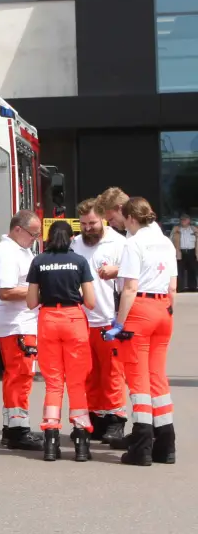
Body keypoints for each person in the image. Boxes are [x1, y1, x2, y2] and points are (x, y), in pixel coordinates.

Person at [111, 196, 179, 465]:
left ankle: (141, 447)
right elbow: (173, 287)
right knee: (157, 377)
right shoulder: (165, 241)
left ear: (130, 218)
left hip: (140, 310)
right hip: (163, 309)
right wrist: (168, 312)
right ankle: (166, 444)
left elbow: (129, 288)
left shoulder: (134, 243)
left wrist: (119, 323)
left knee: (138, 379)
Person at [27, 219, 98, 461]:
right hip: (73, 320)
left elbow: (31, 302)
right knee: (77, 382)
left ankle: (50, 441)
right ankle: (81, 444)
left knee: (53, 383)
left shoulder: (38, 261)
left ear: (48, 237)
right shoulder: (79, 261)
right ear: (71, 238)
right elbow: (91, 302)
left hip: (48, 320)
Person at [71, 197, 128, 444]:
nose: (87, 228)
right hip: (82, 320)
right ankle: (94, 417)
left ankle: (116, 419)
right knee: (88, 373)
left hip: (109, 318)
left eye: (92, 223)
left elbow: (130, 283)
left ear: (103, 218)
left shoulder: (119, 243)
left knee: (113, 372)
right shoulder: (75, 244)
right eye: (83, 224)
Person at [0, 210, 43, 451]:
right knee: (20, 376)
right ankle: (18, 431)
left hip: (22, 323)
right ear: (18, 229)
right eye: (33, 234)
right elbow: (6, 291)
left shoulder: (20, 250)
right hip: (17, 325)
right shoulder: (8, 253)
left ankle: (12, 427)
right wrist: (40, 290)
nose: (35, 239)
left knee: (19, 376)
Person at [177, 214, 198, 293]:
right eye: (182, 219)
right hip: (180, 251)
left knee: (192, 269)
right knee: (180, 270)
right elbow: (172, 239)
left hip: (191, 251)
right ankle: (180, 287)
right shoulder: (177, 230)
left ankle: (192, 287)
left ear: (189, 220)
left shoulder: (194, 229)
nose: (183, 221)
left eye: (185, 219)